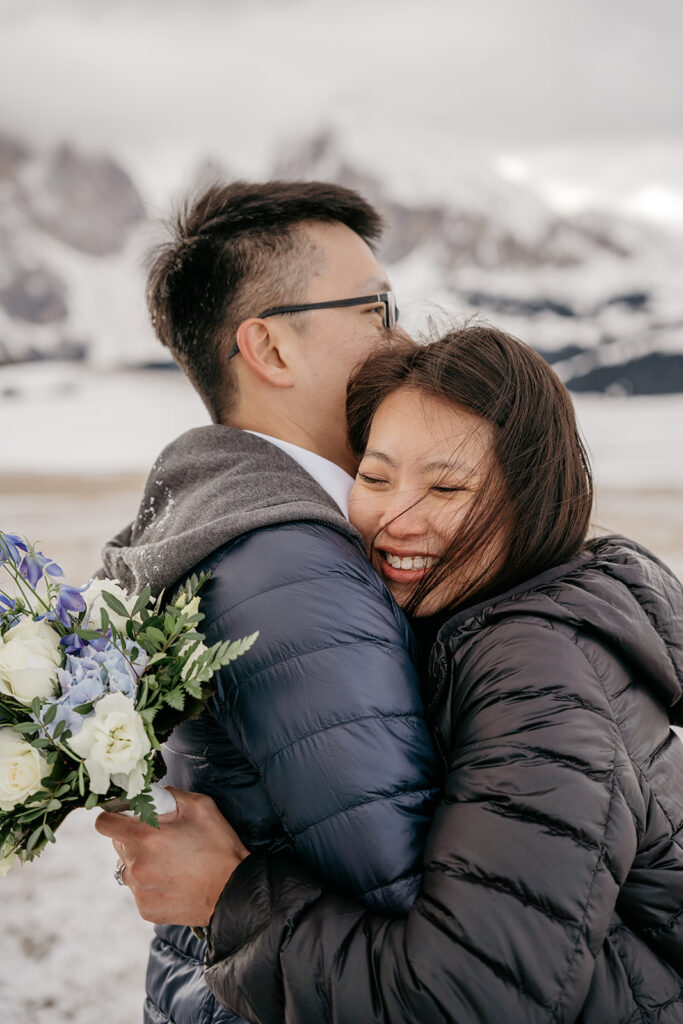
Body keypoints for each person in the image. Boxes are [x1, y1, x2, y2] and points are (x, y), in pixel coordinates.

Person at [115, 325, 683, 1023]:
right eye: (375, 477)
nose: (394, 519)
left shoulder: (537, 666)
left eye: (446, 485)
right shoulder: (484, 622)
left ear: (533, 498)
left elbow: (468, 1000)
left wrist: (229, 897)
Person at [94, 180, 439, 1024]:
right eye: (375, 310)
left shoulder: (223, 517)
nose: (401, 340)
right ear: (270, 350)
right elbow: (415, 908)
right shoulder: (290, 569)